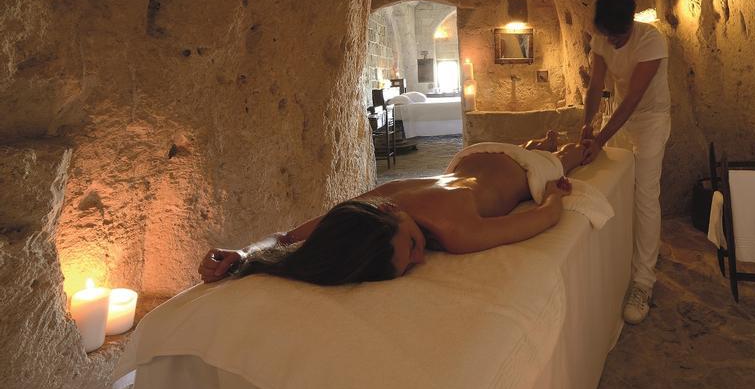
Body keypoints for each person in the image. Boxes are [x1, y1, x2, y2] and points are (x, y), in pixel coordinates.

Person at [197, 132, 584, 285]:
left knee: (573, 155)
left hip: (524, 170)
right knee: (542, 146)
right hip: (476, 155)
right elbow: (287, 240)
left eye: (414, 244)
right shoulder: (372, 208)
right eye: (411, 258)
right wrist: (245, 254)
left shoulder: (456, 231)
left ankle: (563, 144)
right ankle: (545, 141)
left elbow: (546, 215)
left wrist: (555, 193)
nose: (421, 259)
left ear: (390, 212)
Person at [580, 0, 670, 324]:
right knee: (613, 186)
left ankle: (643, 281)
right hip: (617, 116)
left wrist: (600, 139)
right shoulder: (602, 40)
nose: (614, 44)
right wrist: (587, 125)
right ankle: (619, 265)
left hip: (650, 119)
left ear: (631, 23)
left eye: (619, 38)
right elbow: (595, 86)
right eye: (608, 37)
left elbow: (634, 98)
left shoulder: (651, 41)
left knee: (645, 194)